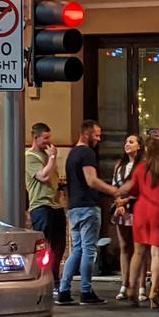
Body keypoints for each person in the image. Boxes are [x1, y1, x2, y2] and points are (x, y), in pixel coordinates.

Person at [57, 120, 118, 306]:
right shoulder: (86, 153)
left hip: (74, 207)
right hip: (87, 207)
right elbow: (91, 180)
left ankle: (64, 290)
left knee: (76, 249)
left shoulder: (72, 154)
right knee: (88, 250)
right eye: (96, 135)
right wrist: (114, 191)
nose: (99, 139)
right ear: (86, 134)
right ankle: (85, 290)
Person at [118, 137, 159, 309]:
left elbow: (134, 189)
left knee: (138, 252)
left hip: (141, 209)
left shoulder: (140, 168)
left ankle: (131, 289)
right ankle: (154, 293)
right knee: (157, 254)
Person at [25, 123, 67, 294]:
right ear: (36, 138)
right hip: (41, 206)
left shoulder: (46, 154)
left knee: (59, 246)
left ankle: (55, 279)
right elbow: (43, 176)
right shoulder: (30, 156)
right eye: (46, 138)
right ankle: (43, 281)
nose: (49, 142)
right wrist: (52, 158)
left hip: (55, 205)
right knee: (45, 247)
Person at [112, 134, 146, 301]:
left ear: (139, 146)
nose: (127, 144)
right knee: (124, 247)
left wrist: (126, 199)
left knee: (139, 249)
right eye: (126, 142)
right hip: (121, 211)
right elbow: (114, 187)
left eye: (131, 142)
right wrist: (118, 203)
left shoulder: (143, 165)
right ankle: (124, 284)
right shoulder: (120, 165)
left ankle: (140, 286)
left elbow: (142, 189)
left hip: (137, 209)